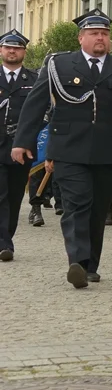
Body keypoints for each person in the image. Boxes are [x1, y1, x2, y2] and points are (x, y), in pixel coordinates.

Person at [12, 11, 112, 286]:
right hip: (68, 148)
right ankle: (77, 262)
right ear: (81, 38)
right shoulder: (59, 65)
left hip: (107, 150)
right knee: (77, 204)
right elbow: (35, 104)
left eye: (104, 33)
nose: (100, 38)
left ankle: (91, 264)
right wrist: (23, 142)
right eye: (94, 33)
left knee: (98, 207)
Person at [0, 30, 38, 260]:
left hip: (22, 147)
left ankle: (7, 237)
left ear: (24, 51)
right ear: (1, 50)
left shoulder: (33, 80)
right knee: (0, 195)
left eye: (17, 47)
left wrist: (27, 136)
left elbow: (44, 112)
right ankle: (4, 243)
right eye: (8, 47)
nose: (12, 51)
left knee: (14, 196)